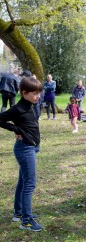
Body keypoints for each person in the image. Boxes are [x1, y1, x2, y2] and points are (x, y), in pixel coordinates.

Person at [0, 77, 44, 231]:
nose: (37, 96)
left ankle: (18, 213)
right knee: (29, 184)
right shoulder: (17, 108)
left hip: (32, 147)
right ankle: (26, 221)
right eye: (34, 93)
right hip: (24, 149)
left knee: (23, 182)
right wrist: (16, 129)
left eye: (39, 93)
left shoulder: (31, 104)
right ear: (24, 93)